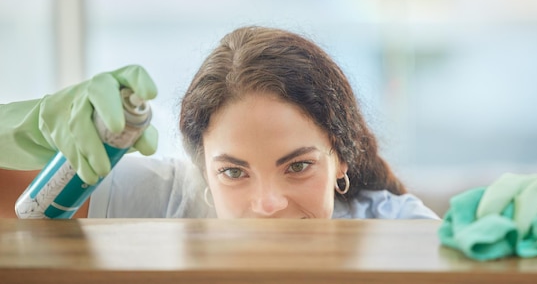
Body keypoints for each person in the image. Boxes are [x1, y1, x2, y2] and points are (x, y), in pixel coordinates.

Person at [0, 26, 438, 220]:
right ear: (203, 169)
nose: (268, 204)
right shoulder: (163, 198)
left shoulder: (394, 229)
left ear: (341, 157)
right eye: (233, 172)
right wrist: (22, 128)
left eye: (298, 166)